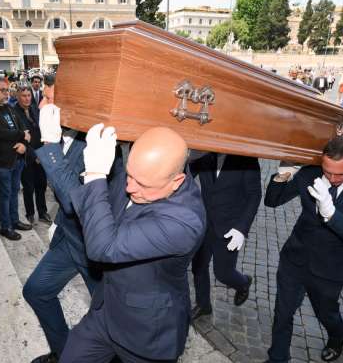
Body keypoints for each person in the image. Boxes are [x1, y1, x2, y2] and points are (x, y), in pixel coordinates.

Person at [59, 125, 206, 363]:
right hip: (105, 314)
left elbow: (104, 247)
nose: (129, 188)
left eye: (143, 184)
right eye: (129, 175)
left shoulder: (185, 221)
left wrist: (96, 173)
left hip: (147, 333)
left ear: (177, 181)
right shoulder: (147, 176)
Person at [263, 137, 343, 363]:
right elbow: (273, 201)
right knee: (283, 313)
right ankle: (278, 358)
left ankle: (337, 335)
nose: (332, 179)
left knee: (326, 313)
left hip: (331, 269)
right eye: (327, 171)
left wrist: (331, 214)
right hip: (295, 258)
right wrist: (282, 175)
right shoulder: (311, 173)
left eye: (340, 174)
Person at [23, 104, 104, 363]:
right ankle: (63, 351)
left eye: (50, 96)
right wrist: (59, 221)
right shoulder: (62, 133)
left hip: (96, 250)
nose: (44, 103)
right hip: (69, 240)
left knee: (111, 321)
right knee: (36, 290)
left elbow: (75, 200)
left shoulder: (98, 140)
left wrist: (50, 144)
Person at [189, 153, 261, 320]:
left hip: (230, 227)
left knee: (223, 273)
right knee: (198, 266)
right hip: (205, 221)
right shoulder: (204, 154)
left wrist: (241, 228)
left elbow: (254, 195)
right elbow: (187, 174)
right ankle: (203, 304)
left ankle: (243, 283)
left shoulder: (247, 159)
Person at [0, 76, 32, 240]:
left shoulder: (9, 108)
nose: (6, 93)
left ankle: (15, 220)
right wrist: (21, 135)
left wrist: (24, 143)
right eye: (2, 90)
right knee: (5, 194)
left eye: (7, 90)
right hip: (2, 161)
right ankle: (6, 226)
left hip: (17, 158)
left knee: (15, 191)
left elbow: (23, 127)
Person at [14, 85, 50, 224]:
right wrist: (35, 156)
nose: (27, 98)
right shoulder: (14, 112)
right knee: (28, 187)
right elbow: (19, 138)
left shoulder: (35, 109)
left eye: (29, 95)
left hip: (41, 155)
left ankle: (43, 212)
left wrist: (42, 153)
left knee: (41, 185)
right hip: (26, 157)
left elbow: (42, 131)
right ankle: (30, 213)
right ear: (17, 96)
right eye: (24, 96)